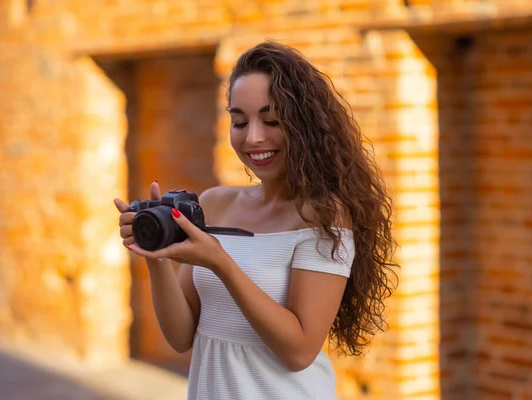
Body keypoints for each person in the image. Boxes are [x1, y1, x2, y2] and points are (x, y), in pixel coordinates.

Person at [114, 41, 398, 400]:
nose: (253, 137)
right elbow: (181, 336)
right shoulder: (215, 203)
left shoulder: (324, 216)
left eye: (272, 120)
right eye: (239, 121)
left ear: (304, 125)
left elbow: (299, 351)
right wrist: (155, 255)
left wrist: (221, 263)